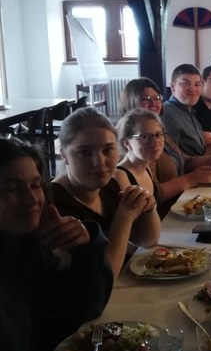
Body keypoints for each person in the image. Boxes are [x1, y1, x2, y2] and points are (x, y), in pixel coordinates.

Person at [0, 138, 112, 351]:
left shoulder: (25, 250)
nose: (31, 200)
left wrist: (86, 250)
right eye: (11, 188)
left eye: (36, 184)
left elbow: (82, 311)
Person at [51, 107, 161, 279]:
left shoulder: (110, 184)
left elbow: (147, 241)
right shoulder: (56, 206)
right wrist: (124, 217)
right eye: (85, 152)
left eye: (108, 150)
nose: (99, 162)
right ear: (64, 155)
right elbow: (104, 278)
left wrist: (149, 207)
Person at [119, 76, 211, 172]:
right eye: (146, 99)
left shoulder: (161, 131)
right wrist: (191, 180)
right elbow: (156, 191)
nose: (154, 103)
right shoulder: (135, 141)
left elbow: (186, 161)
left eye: (157, 98)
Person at [116, 108, 211, 219]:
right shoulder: (120, 176)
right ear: (126, 143)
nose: (154, 142)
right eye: (144, 137)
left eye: (158, 135)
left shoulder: (145, 167)